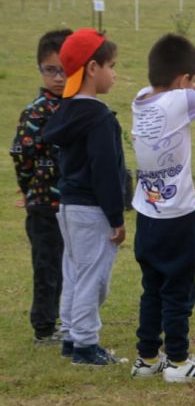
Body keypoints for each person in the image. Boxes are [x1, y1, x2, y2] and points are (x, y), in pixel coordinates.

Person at [130, 34, 195, 382]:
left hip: (147, 214)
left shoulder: (140, 99)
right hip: (179, 216)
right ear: (183, 80)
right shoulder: (180, 101)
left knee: (153, 287)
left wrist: (189, 88)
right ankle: (178, 361)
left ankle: (146, 358)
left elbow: (181, 92)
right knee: (178, 289)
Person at [42, 29, 128, 365]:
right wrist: (116, 218)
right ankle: (85, 345)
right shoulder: (100, 118)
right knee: (94, 276)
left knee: (75, 272)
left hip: (69, 206)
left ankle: (71, 337)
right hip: (93, 210)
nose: (114, 73)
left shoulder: (65, 111)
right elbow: (104, 171)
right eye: (111, 65)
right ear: (92, 68)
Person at [10, 29, 72, 344]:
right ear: (40, 70)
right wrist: (29, 188)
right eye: (51, 70)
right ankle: (44, 328)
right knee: (46, 267)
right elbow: (22, 153)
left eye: (65, 69)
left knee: (67, 267)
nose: (59, 77)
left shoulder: (77, 107)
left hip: (73, 205)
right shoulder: (37, 111)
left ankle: (62, 320)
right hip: (44, 206)